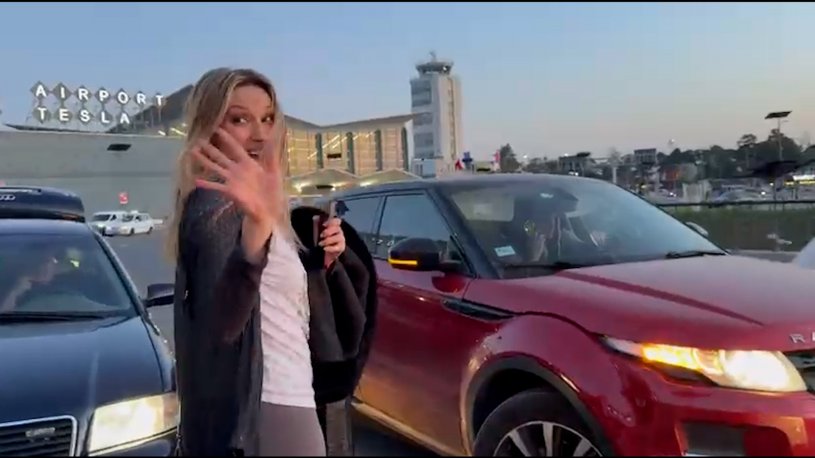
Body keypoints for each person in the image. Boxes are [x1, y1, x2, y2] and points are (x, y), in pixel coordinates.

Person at [165, 67, 377, 457]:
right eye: (239, 119)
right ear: (209, 127)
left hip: (289, 396)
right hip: (268, 407)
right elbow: (220, 324)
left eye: (266, 118)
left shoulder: (258, 208)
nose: (260, 134)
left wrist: (326, 261)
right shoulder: (214, 205)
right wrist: (255, 237)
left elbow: (285, 308)